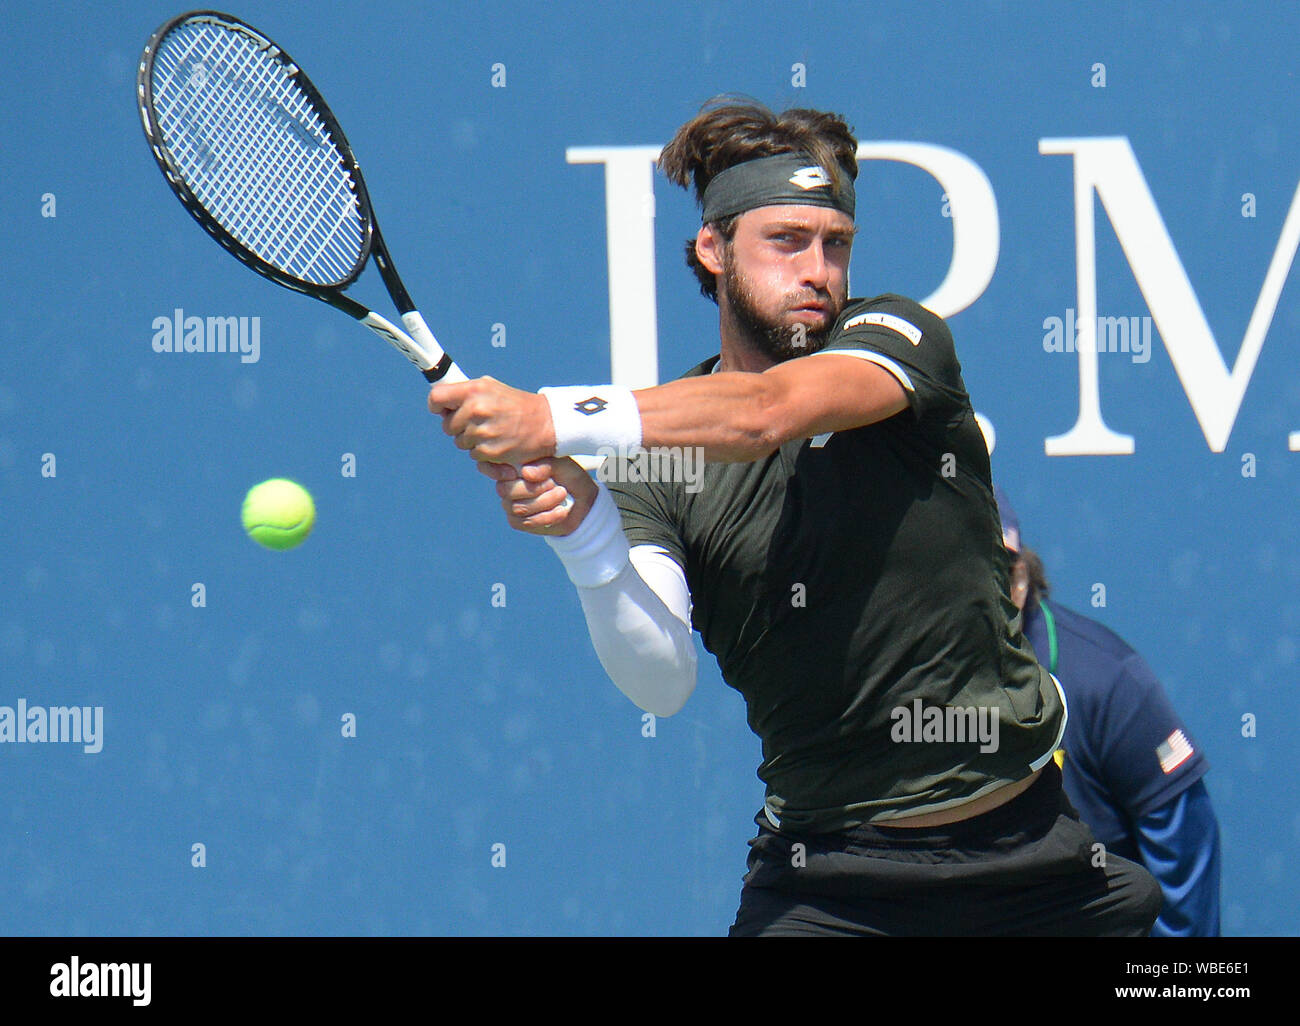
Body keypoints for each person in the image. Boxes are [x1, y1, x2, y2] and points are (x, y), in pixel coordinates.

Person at [427, 97, 1161, 936]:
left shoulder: (898, 340)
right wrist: (582, 531)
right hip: (830, 882)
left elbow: (765, 414)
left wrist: (548, 416)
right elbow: (661, 680)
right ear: (713, 247)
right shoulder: (653, 468)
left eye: (835, 244)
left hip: (1035, 864)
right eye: (787, 241)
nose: (818, 269)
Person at [995, 486, 1222, 936]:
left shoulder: (1108, 681)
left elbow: (1185, 860)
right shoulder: (891, 682)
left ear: (1021, 574)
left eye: (1001, 567)